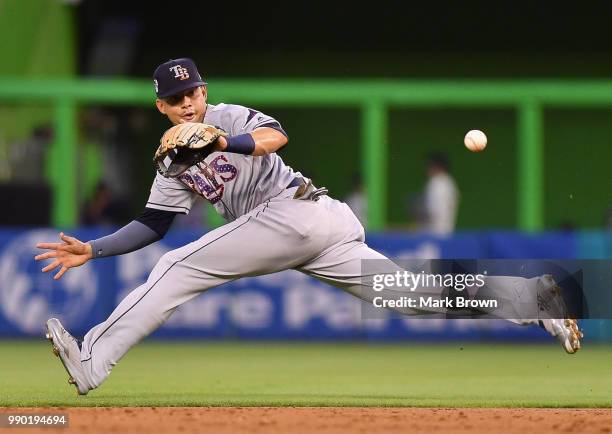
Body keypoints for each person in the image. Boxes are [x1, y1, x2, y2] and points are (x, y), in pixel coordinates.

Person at [36, 58, 582, 396]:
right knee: (410, 293)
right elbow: (152, 223)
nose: (187, 104)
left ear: (204, 91)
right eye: (175, 99)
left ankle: (90, 361)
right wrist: (94, 248)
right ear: (161, 106)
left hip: (298, 210)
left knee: (179, 266)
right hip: (304, 231)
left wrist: (223, 141)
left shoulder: (224, 118)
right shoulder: (170, 162)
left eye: (192, 93)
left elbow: (277, 137)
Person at [421, 152, 459, 235]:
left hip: (433, 234)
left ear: (437, 166)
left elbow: (433, 212)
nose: (427, 168)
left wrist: (417, 209)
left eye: (430, 165)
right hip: (446, 233)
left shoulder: (436, 183)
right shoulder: (449, 182)